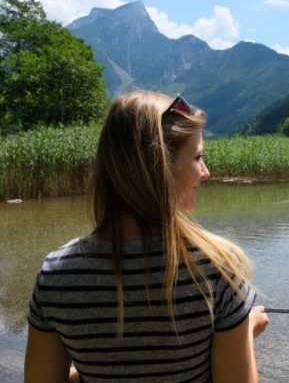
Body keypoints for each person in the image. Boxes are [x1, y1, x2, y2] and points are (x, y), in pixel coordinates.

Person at [24, 91, 269, 382]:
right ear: (161, 168)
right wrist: (246, 330)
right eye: (197, 157)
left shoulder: (57, 273)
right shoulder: (216, 268)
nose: (206, 172)